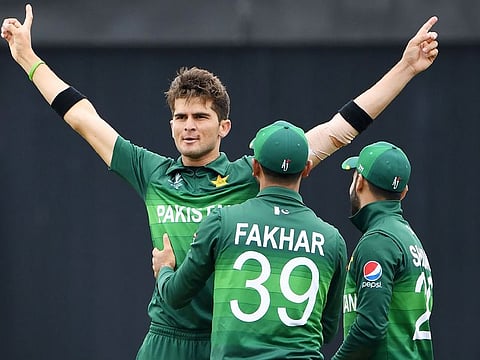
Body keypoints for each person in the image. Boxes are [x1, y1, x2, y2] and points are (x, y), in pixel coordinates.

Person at [1, 4, 439, 360]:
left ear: (223, 127)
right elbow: (83, 118)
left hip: (225, 341)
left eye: (200, 117)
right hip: (165, 336)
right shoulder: (151, 171)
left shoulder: (252, 174)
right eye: (180, 117)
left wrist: (405, 68)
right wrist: (27, 58)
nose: (188, 126)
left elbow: (338, 129)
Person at [152, 120, 348, 359]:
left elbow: (175, 295)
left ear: (255, 167)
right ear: (306, 169)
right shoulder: (331, 240)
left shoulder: (223, 222)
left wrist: (164, 269)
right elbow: (326, 331)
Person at [332, 141, 434, 359]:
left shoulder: (379, 241)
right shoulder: (408, 238)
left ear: (359, 181)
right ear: (404, 192)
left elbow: (370, 327)